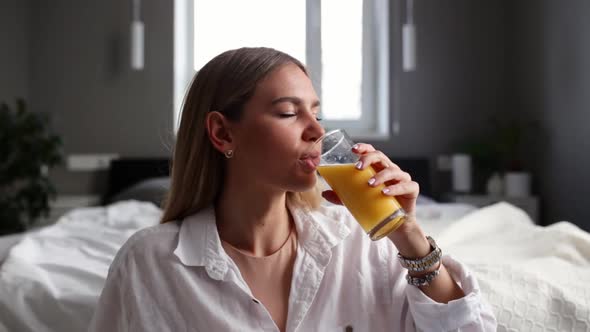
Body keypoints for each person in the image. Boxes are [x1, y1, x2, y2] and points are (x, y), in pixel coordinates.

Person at [89, 47, 497, 331]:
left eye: (316, 112)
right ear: (221, 132)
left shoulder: (364, 243)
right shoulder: (148, 264)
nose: (317, 131)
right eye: (288, 112)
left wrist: (410, 238)